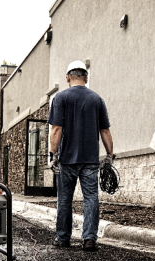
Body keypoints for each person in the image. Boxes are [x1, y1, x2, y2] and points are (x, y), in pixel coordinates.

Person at [47, 60, 114, 251]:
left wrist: (54, 154)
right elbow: (105, 131)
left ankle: (63, 238)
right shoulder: (96, 99)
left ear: (68, 77)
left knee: (65, 199)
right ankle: (89, 239)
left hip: (67, 159)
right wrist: (110, 155)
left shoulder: (60, 98)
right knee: (91, 197)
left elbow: (56, 129)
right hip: (90, 159)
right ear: (86, 77)